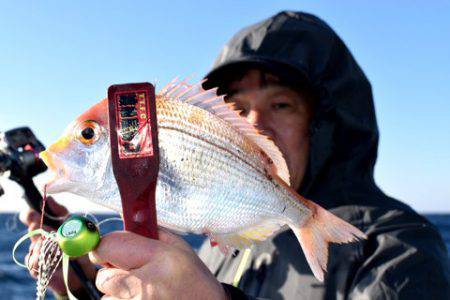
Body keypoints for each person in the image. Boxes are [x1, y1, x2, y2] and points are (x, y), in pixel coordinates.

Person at [21, 11, 449, 299]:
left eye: (281, 104)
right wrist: (84, 281)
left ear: (324, 124)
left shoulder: (397, 251)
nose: (257, 124)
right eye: (239, 111)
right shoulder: (214, 246)